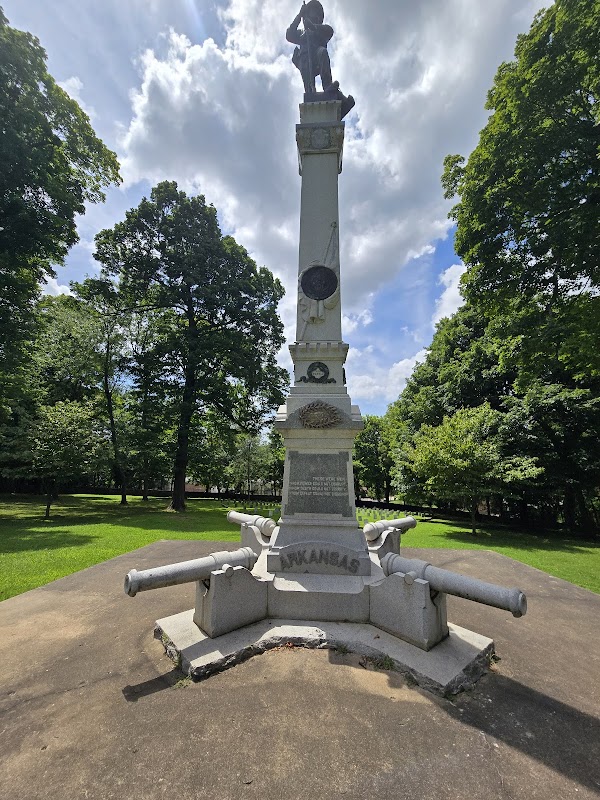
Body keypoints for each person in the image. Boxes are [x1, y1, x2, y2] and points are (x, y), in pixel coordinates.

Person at [286, 1, 338, 94]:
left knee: (322, 52)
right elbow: (289, 35)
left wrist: (313, 27)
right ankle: (310, 93)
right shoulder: (301, 32)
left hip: (317, 58)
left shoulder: (321, 29)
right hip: (305, 61)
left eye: (318, 14)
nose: (316, 16)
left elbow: (329, 31)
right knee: (309, 93)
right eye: (314, 12)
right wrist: (299, 15)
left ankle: (328, 86)